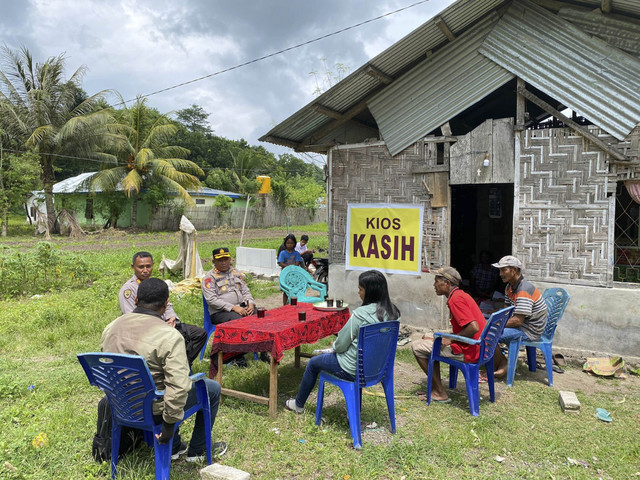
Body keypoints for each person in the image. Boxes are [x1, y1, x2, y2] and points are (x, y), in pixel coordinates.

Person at [103, 278, 227, 462]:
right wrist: (168, 427)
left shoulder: (112, 327)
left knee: (160, 385)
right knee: (212, 389)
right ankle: (198, 450)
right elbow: (177, 388)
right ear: (166, 303)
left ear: (136, 300)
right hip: (153, 409)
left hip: (121, 403)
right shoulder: (169, 335)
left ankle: (176, 446)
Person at [284, 270, 401, 413]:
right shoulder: (394, 313)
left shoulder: (360, 315)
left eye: (361, 289)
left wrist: (334, 346)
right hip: (379, 368)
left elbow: (340, 346)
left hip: (353, 369)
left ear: (371, 292)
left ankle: (298, 405)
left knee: (313, 363)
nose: (359, 293)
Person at [411, 266, 487, 403]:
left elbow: (473, 327)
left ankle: (439, 392)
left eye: (436, 281)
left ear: (446, 283)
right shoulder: (462, 295)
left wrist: (450, 340)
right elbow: (465, 327)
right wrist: (442, 338)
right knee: (429, 339)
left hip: (469, 350)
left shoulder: (455, 300)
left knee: (417, 347)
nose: (434, 285)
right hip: (478, 347)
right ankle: (434, 387)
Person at [119, 251, 207, 366]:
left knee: (198, 334)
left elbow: (167, 304)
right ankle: (170, 366)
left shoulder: (155, 284)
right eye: (141, 267)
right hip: (145, 331)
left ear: (153, 265)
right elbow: (131, 317)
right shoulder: (129, 290)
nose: (145, 270)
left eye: (148, 266)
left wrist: (172, 318)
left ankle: (180, 364)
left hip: (165, 325)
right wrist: (160, 326)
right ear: (133, 267)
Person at [491, 255, 548, 377]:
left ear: (514, 270)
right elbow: (507, 312)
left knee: (490, 334)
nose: (500, 274)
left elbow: (518, 321)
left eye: (503, 270)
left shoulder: (524, 289)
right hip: (522, 326)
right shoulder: (509, 287)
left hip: (529, 330)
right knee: (490, 328)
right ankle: (502, 361)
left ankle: (503, 364)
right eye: (500, 270)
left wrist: (493, 325)